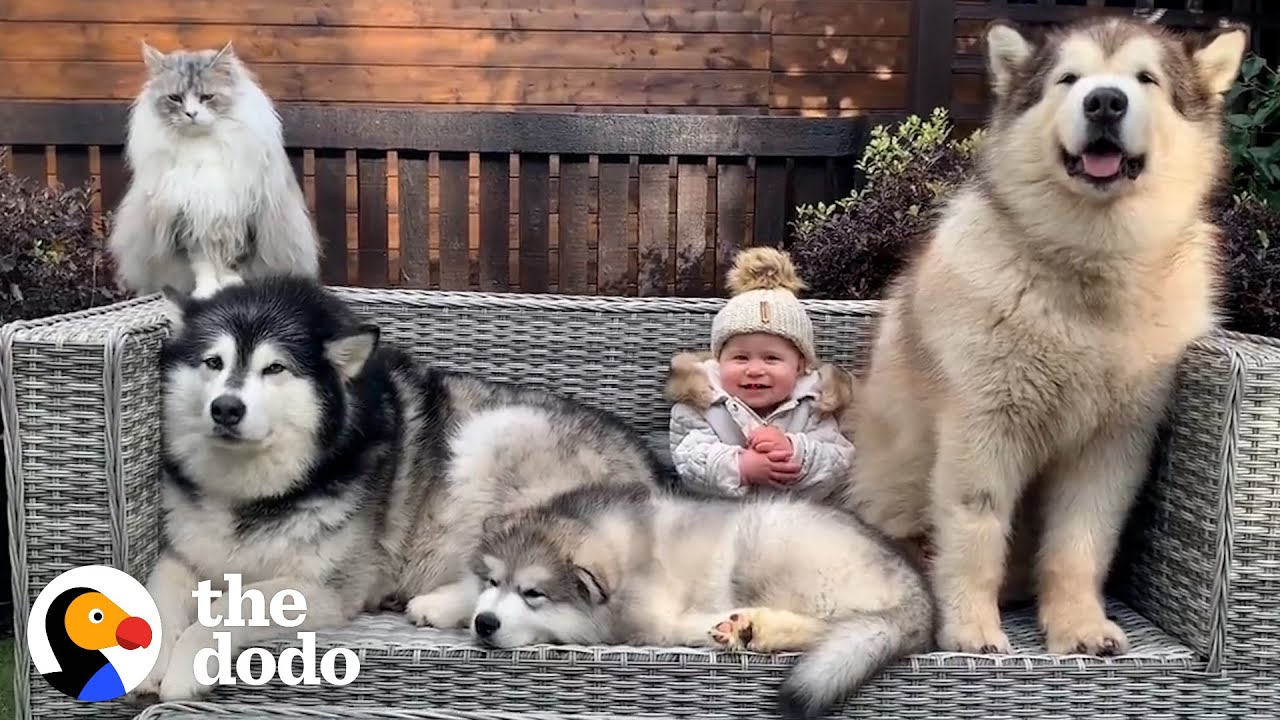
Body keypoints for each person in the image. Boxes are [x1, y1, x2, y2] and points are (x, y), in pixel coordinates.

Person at [665, 247, 855, 501]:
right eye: (740, 358)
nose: (754, 370)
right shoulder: (703, 401)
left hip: (798, 520)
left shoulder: (816, 403)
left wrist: (794, 451)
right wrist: (740, 466)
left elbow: (838, 461)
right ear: (719, 361)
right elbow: (688, 458)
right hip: (718, 520)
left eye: (772, 358)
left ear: (800, 366)